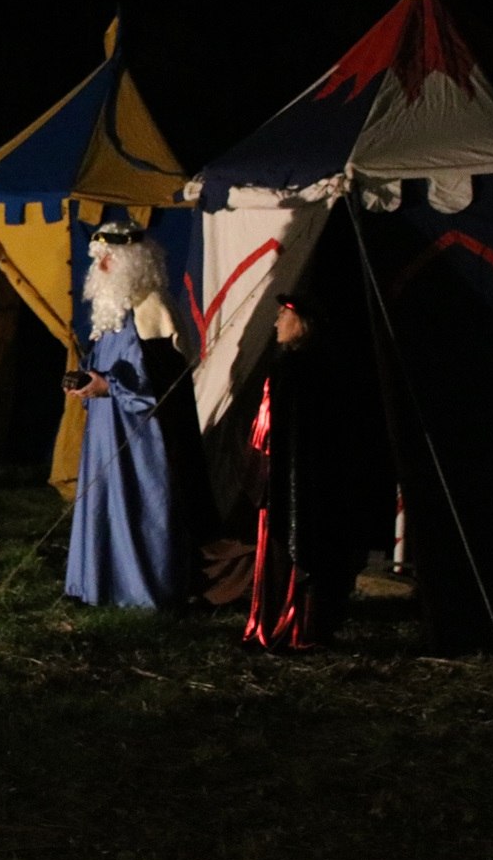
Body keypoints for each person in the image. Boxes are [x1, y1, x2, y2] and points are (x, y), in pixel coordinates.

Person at [63, 219, 217, 609]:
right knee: (104, 503)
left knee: (138, 507)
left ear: (132, 261)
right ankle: (102, 584)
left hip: (141, 441)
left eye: (108, 260)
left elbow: (164, 394)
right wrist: (85, 382)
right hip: (106, 430)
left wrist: (109, 387)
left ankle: (144, 590)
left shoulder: (154, 311)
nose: (99, 269)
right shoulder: (109, 315)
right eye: (97, 260)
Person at [242, 292, 370, 650]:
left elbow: (291, 435)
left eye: (284, 315)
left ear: (302, 324)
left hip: (296, 482)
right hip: (289, 479)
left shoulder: (300, 371)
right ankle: (286, 624)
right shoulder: (301, 367)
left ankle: (294, 626)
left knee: (295, 548)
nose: (276, 322)